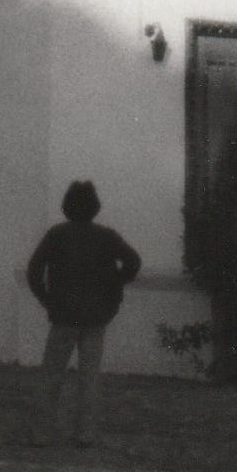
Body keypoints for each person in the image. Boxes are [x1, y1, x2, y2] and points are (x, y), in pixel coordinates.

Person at [25, 180, 141, 447]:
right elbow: (133, 261)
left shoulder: (56, 235)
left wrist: (47, 300)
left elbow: (34, 272)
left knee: (52, 375)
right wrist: (116, 282)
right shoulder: (107, 236)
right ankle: (85, 434)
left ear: (67, 206)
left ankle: (42, 433)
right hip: (96, 316)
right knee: (89, 379)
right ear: (94, 207)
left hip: (63, 315)